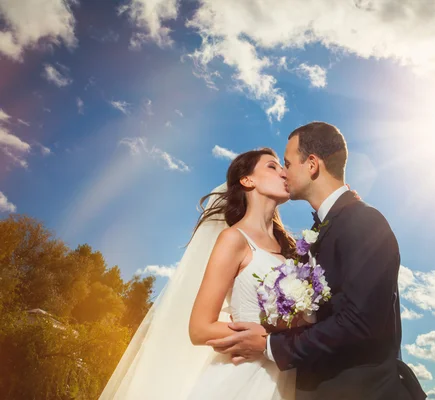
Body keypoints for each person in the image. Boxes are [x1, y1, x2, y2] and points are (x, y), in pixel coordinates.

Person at [207, 122, 419, 399]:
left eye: (287, 163)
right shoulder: (321, 232)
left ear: (311, 165)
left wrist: (269, 343)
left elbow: (361, 321)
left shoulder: (363, 220)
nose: (284, 172)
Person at [99, 148, 297, 399]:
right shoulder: (234, 239)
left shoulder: (291, 248)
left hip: (285, 376)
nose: (284, 172)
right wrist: (268, 338)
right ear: (248, 180)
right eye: (272, 166)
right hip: (243, 376)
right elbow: (200, 329)